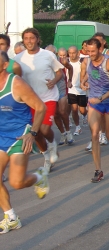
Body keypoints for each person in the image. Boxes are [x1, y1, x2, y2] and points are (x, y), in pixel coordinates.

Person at [0, 51, 50, 234]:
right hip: (1, 136)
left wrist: (33, 133)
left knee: (17, 182)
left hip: (20, 136)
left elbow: (40, 107)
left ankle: (39, 177)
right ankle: (11, 217)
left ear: (5, 65)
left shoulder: (17, 84)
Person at [14, 28, 64, 173]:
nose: (29, 41)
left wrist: (54, 81)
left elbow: (59, 72)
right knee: (35, 133)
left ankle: (53, 144)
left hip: (48, 97)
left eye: (32, 38)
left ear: (37, 39)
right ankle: (47, 158)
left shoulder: (47, 55)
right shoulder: (19, 58)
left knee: (44, 128)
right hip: (29, 100)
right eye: (26, 38)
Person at [80, 38, 109, 182]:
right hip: (94, 103)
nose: (91, 54)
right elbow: (87, 75)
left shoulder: (108, 62)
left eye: (93, 51)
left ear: (100, 49)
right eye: (88, 51)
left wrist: (102, 98)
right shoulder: (86, 62)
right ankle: (98, 170)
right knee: (94, 134)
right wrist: (83, 82)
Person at [51, 47, 74, 146]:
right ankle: (62, 133)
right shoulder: (43, 62)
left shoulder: (61, 61)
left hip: (61, 88)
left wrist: (70, 80)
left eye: (52, 53)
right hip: (50, 90)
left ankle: (68, 132)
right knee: (55, 114)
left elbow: (70, 68)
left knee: (62, 111)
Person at [67, 45, 88, 136]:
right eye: (70, 53)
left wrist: (85, 83)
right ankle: (77, 127)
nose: (72, 55)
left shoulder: (82, 62)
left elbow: (87, 73)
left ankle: (85, 115)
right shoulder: (66, 63)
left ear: (78, 53)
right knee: (74, 109)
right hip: (71, 89)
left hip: (82, 90)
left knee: (82, 110)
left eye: (74, 53)